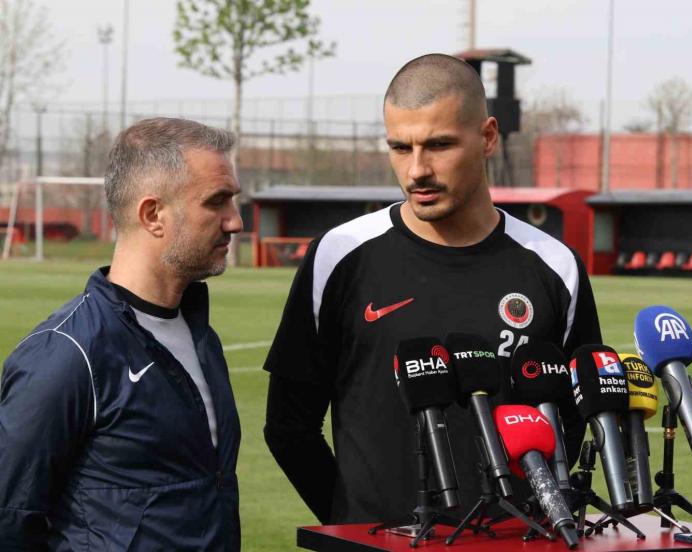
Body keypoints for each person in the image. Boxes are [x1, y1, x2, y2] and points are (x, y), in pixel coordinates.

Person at [263, 54, 602, 525]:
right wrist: (353, 528)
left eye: (439, 145)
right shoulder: (337, 256)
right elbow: (289, 427)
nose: (417, 170)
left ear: (488, 137)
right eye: (400, 148)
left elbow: (572, 422)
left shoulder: (555, 266)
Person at [0, 118, 243, 550]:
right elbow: (9, 518)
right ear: (153, 215)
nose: (235, 222)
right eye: (216, 202)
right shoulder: (67, 355)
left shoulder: (202, 337)